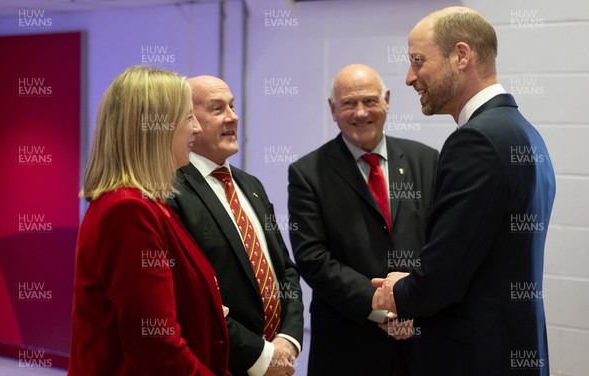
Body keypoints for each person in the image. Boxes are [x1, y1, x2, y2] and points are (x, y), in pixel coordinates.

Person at [372, 7, 555, 376]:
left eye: (419, 61)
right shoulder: (524, 133)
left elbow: (443, 280)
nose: (410, 77)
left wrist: (398, 291)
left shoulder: (476, 141)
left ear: (461, 55)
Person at [69, 66, 230, 376]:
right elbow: (157, 347)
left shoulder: (147, 205)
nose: (196, 129)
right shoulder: (128, 211)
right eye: (187, 118)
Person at [287, 63, 438, 375]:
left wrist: (413, 306)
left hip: (421, 340)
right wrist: (383, 310)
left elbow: (442, 242)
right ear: (332, 109)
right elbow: (313, 259)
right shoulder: (307, 173)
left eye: (370, 101)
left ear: (387, 100)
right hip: (348, 346)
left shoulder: (427, 160)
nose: (360, 113)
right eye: (348, 103)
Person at [169, 76, 304, 376]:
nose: (233, 116)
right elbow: (191, 301)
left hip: (279, 359)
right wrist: (262, 356)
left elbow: (286, 270)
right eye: (217, 109)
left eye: (232, 106)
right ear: (188, 121)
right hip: (222, 364)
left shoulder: (250, 184)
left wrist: (289, 339)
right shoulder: (171, 192)